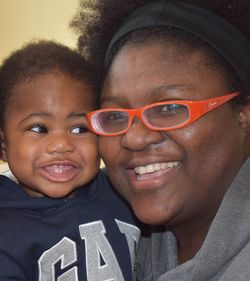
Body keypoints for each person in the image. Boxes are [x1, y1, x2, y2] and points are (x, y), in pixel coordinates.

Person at [71, 0, 250, 280]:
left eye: (169, 108)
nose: (135, 138)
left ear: (243, 115)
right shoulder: (100, 228)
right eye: (116, 116)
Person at [0, 40, 140, 281]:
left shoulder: (124, 192)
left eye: (78, 129)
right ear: (3, 146)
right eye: (39, 128)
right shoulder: (6, 229)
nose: (62, 145)